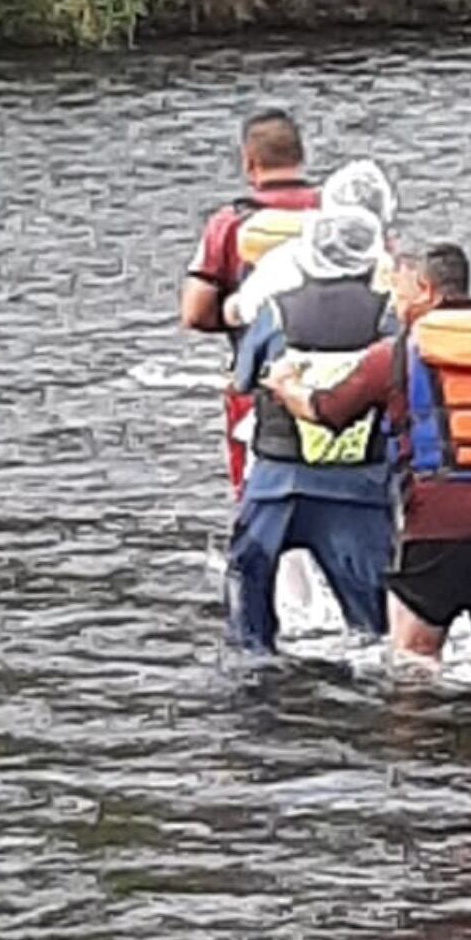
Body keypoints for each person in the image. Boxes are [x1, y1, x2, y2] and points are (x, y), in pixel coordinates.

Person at [266, 241, 471, 673]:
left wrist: (286, 385)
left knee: (415, 660)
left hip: (438, 522)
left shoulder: (393, 355)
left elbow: (327, 411)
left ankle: (419, 740)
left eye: (397, 289)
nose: (394, 303)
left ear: (424, 288)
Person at [226, 208, 401, 655]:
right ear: (370, 257)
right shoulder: (390, 318)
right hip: (359, 491)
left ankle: (258, 689)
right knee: (373, 633)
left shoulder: (276, 313)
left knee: (249, 607)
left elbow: (243, 379)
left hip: (276, 484)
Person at [181, 108, 325, 495]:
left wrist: (236, 315)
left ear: (249, 162)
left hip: (259, 382)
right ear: (300, 156)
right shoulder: (342, 216)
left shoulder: (229, 223)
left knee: (258, 490)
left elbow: (194, 312)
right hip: (343, 381)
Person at [230, 159, 397, 331]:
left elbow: (241, 311)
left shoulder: (282, 261)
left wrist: (234, 307)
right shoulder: (392, 275)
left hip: (288, 348)